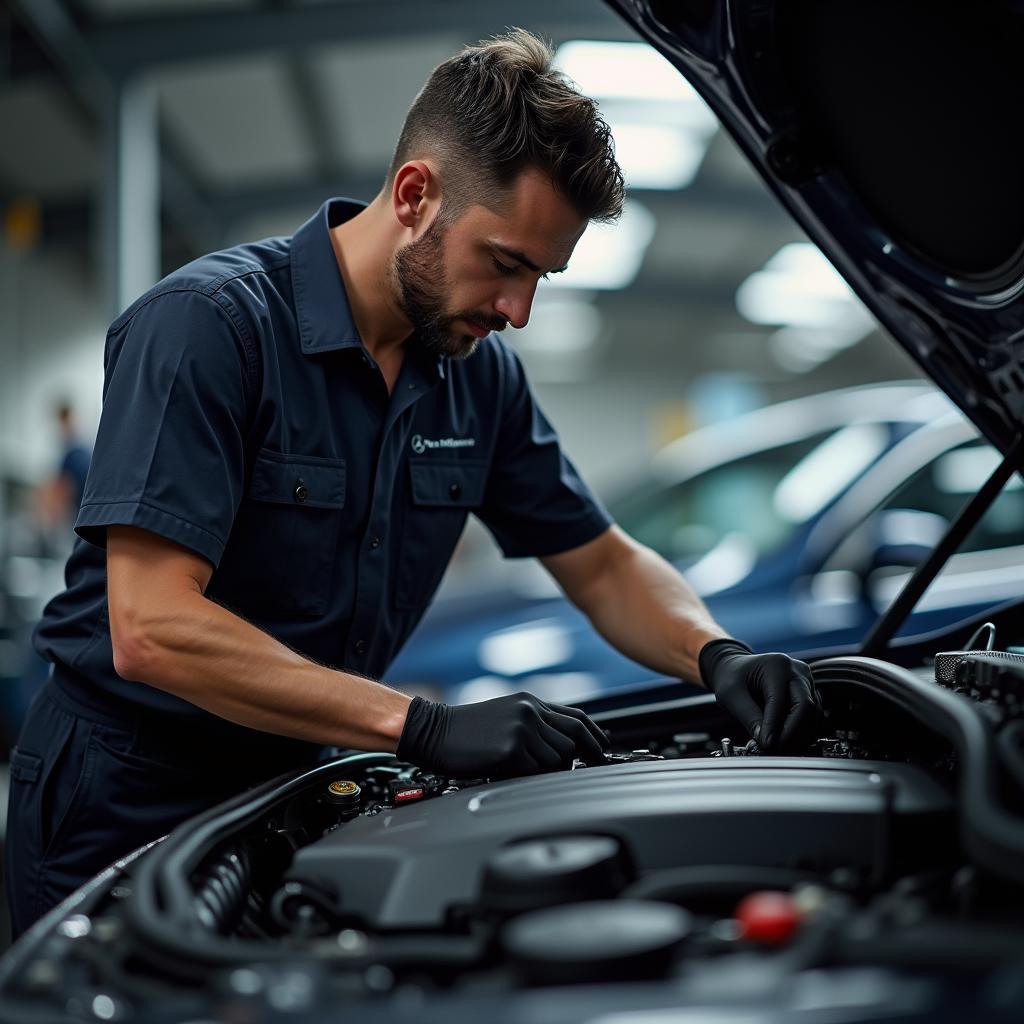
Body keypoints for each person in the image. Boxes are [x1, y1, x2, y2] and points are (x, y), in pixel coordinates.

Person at [4, 29, 818, 939]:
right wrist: (423, 726)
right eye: (506, 263)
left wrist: (718, 655)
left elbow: (602, 564)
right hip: (123, 798)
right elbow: (151, 628)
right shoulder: (209, 329)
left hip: (294, 787)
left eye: (541, 276)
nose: (519, 311)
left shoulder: (477, 377)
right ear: (415, 194)